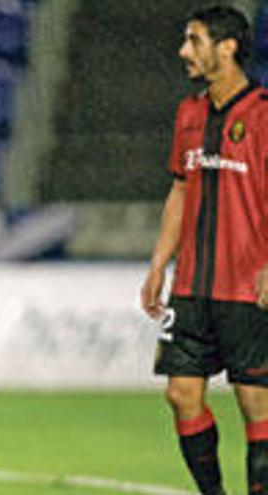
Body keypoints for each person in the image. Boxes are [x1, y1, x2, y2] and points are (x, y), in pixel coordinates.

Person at [141, 6, 268, 495]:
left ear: (228, 46)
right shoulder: (189, 113)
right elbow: (179, 190)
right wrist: (158, 265)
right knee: (181, 393)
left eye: (194, 41)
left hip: (246, 287)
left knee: (256, 404)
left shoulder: (262, 113)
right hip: (192, 285)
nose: (183, 51)